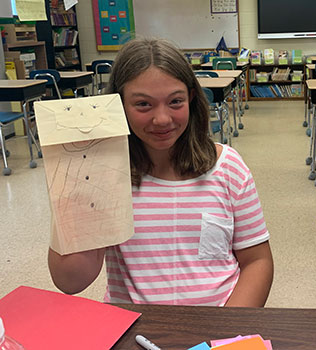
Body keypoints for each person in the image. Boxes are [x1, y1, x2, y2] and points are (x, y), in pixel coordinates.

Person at [48, 38, 274, 307]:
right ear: (118, 105)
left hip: (219, 329)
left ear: (191, 97)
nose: (162, 119)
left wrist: (227, 331)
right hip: (135, 328)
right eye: (143, 104)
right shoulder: (106, 174)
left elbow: (257, 262)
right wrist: (75, 189)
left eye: (175, 101)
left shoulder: (228, 167)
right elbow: (70, 281)